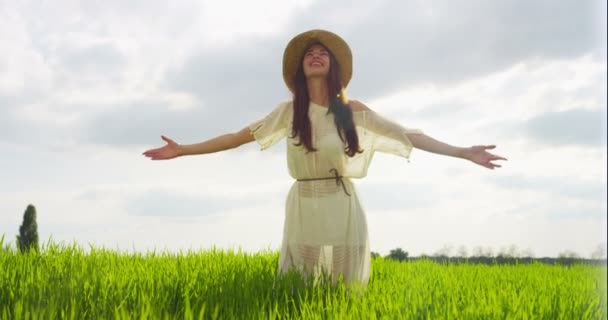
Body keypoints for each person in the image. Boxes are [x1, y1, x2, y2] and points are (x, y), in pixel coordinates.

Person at [142, 29, 507, 288]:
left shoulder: (348, 111)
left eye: (322, 53)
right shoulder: (289, 112)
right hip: (303, 202)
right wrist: (184, 149)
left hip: (342, 203)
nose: (315, 56)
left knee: (343, 282)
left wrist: (461, 151)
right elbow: (237, 138)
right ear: (301, 68)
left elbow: (405, 134)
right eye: (309, 54)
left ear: (332, 66)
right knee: (302, 282)